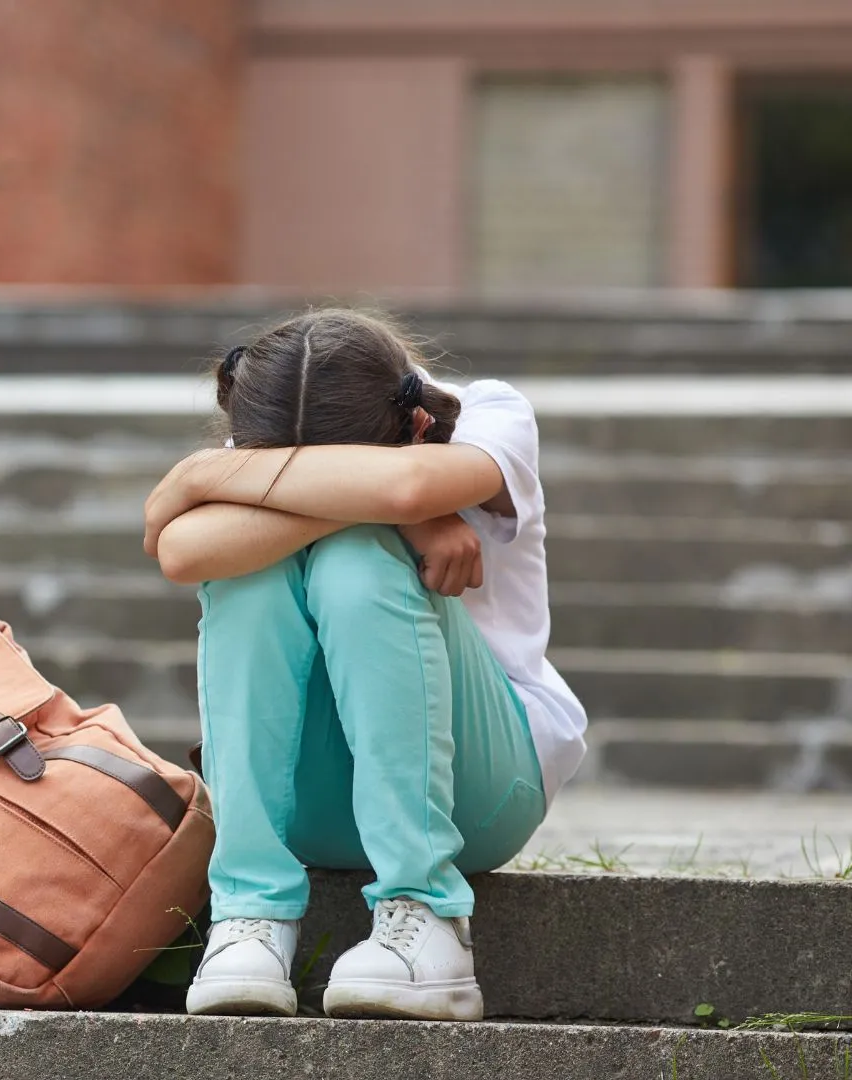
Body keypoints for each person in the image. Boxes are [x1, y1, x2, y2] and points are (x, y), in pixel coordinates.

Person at [142, 309, 588, 1022]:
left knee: (355, 558)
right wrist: (387, 506)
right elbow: (183, 552)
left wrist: (209, 475)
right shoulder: (276, 424)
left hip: (482, 790)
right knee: (244, 574)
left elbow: (408, 490)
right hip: (316, 804)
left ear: (414, 428)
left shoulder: (489, 416)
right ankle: (248, 916)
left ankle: (428, 914)